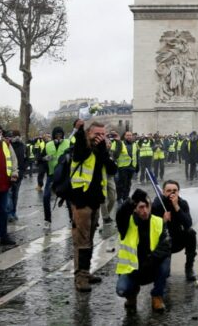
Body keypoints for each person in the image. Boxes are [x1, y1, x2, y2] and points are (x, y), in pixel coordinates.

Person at [70, 119, 117, 292]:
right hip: (81, 199)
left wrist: (104, 150)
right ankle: (80, 277)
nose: (100, 137)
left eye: (102, 134)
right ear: (88, 133)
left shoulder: (102, 149)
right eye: (96, 134)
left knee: (89, 239)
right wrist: (82, 131)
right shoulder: (81, 146)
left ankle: (86, 271)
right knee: (81, 240)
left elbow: (112, 169)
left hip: (96, 199)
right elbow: (80, 154)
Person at [115, 189, 170, 313]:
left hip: (151, 267)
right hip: (132, 271)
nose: (144, 210)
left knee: (166, 262)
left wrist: (150, 261)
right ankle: (131, 296)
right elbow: (120, 214)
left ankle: (157, 296)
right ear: (135, 208)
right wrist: (131, 201)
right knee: (122, 290)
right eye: (141, 207)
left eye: (147, 206)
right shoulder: (126, 223)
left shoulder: (159, 222)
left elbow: (165, 246)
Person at [151, 180, 197, 281]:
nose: (172, 193)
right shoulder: (157, 204)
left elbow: (188, 223)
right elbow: (151, 229)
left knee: (191, 233)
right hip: (162, 241)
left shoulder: (182, 203)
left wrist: (177, 207)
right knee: (164, 274)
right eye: (169, 191)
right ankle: (161, 267)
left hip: (177, 239)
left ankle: (189, 268)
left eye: (175, 191)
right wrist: (163, 221)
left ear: (178, 192)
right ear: (163, 192)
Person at [42, 126, 70, 230]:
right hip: (52, 174)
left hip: (64, 175)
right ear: (53, 135)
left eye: (60, 135)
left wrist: (69, 157)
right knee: (46, 197)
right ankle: (47, 219)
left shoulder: (67, 143)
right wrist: (45, 158)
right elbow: (40, 158)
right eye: (57, 135)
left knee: (68, 197)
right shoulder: (48, 144)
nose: (58, 137)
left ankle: (72, 219)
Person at [113, 131, 138, 207]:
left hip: (131, 167)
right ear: (124, 136)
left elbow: (136, 156)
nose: (129, 137)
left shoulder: (134, 144)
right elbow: (114, 154)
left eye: (130, 135)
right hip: (122, 167)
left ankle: (126, 197)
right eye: (127, 135)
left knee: (128, 183)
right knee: (121, 184)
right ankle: (119, 198)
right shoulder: (120, 143)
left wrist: (137, 166)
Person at [7, 130, 27, 222]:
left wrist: (22, 171)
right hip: (10, 174)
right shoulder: (8, 146)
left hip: (19, 174)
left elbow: (25, 159)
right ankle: (9, 213)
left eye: (18, 135)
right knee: (9, 194)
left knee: (15, 195)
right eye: (15, 136)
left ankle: (13, 212)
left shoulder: (23, 146)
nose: (17, 137)